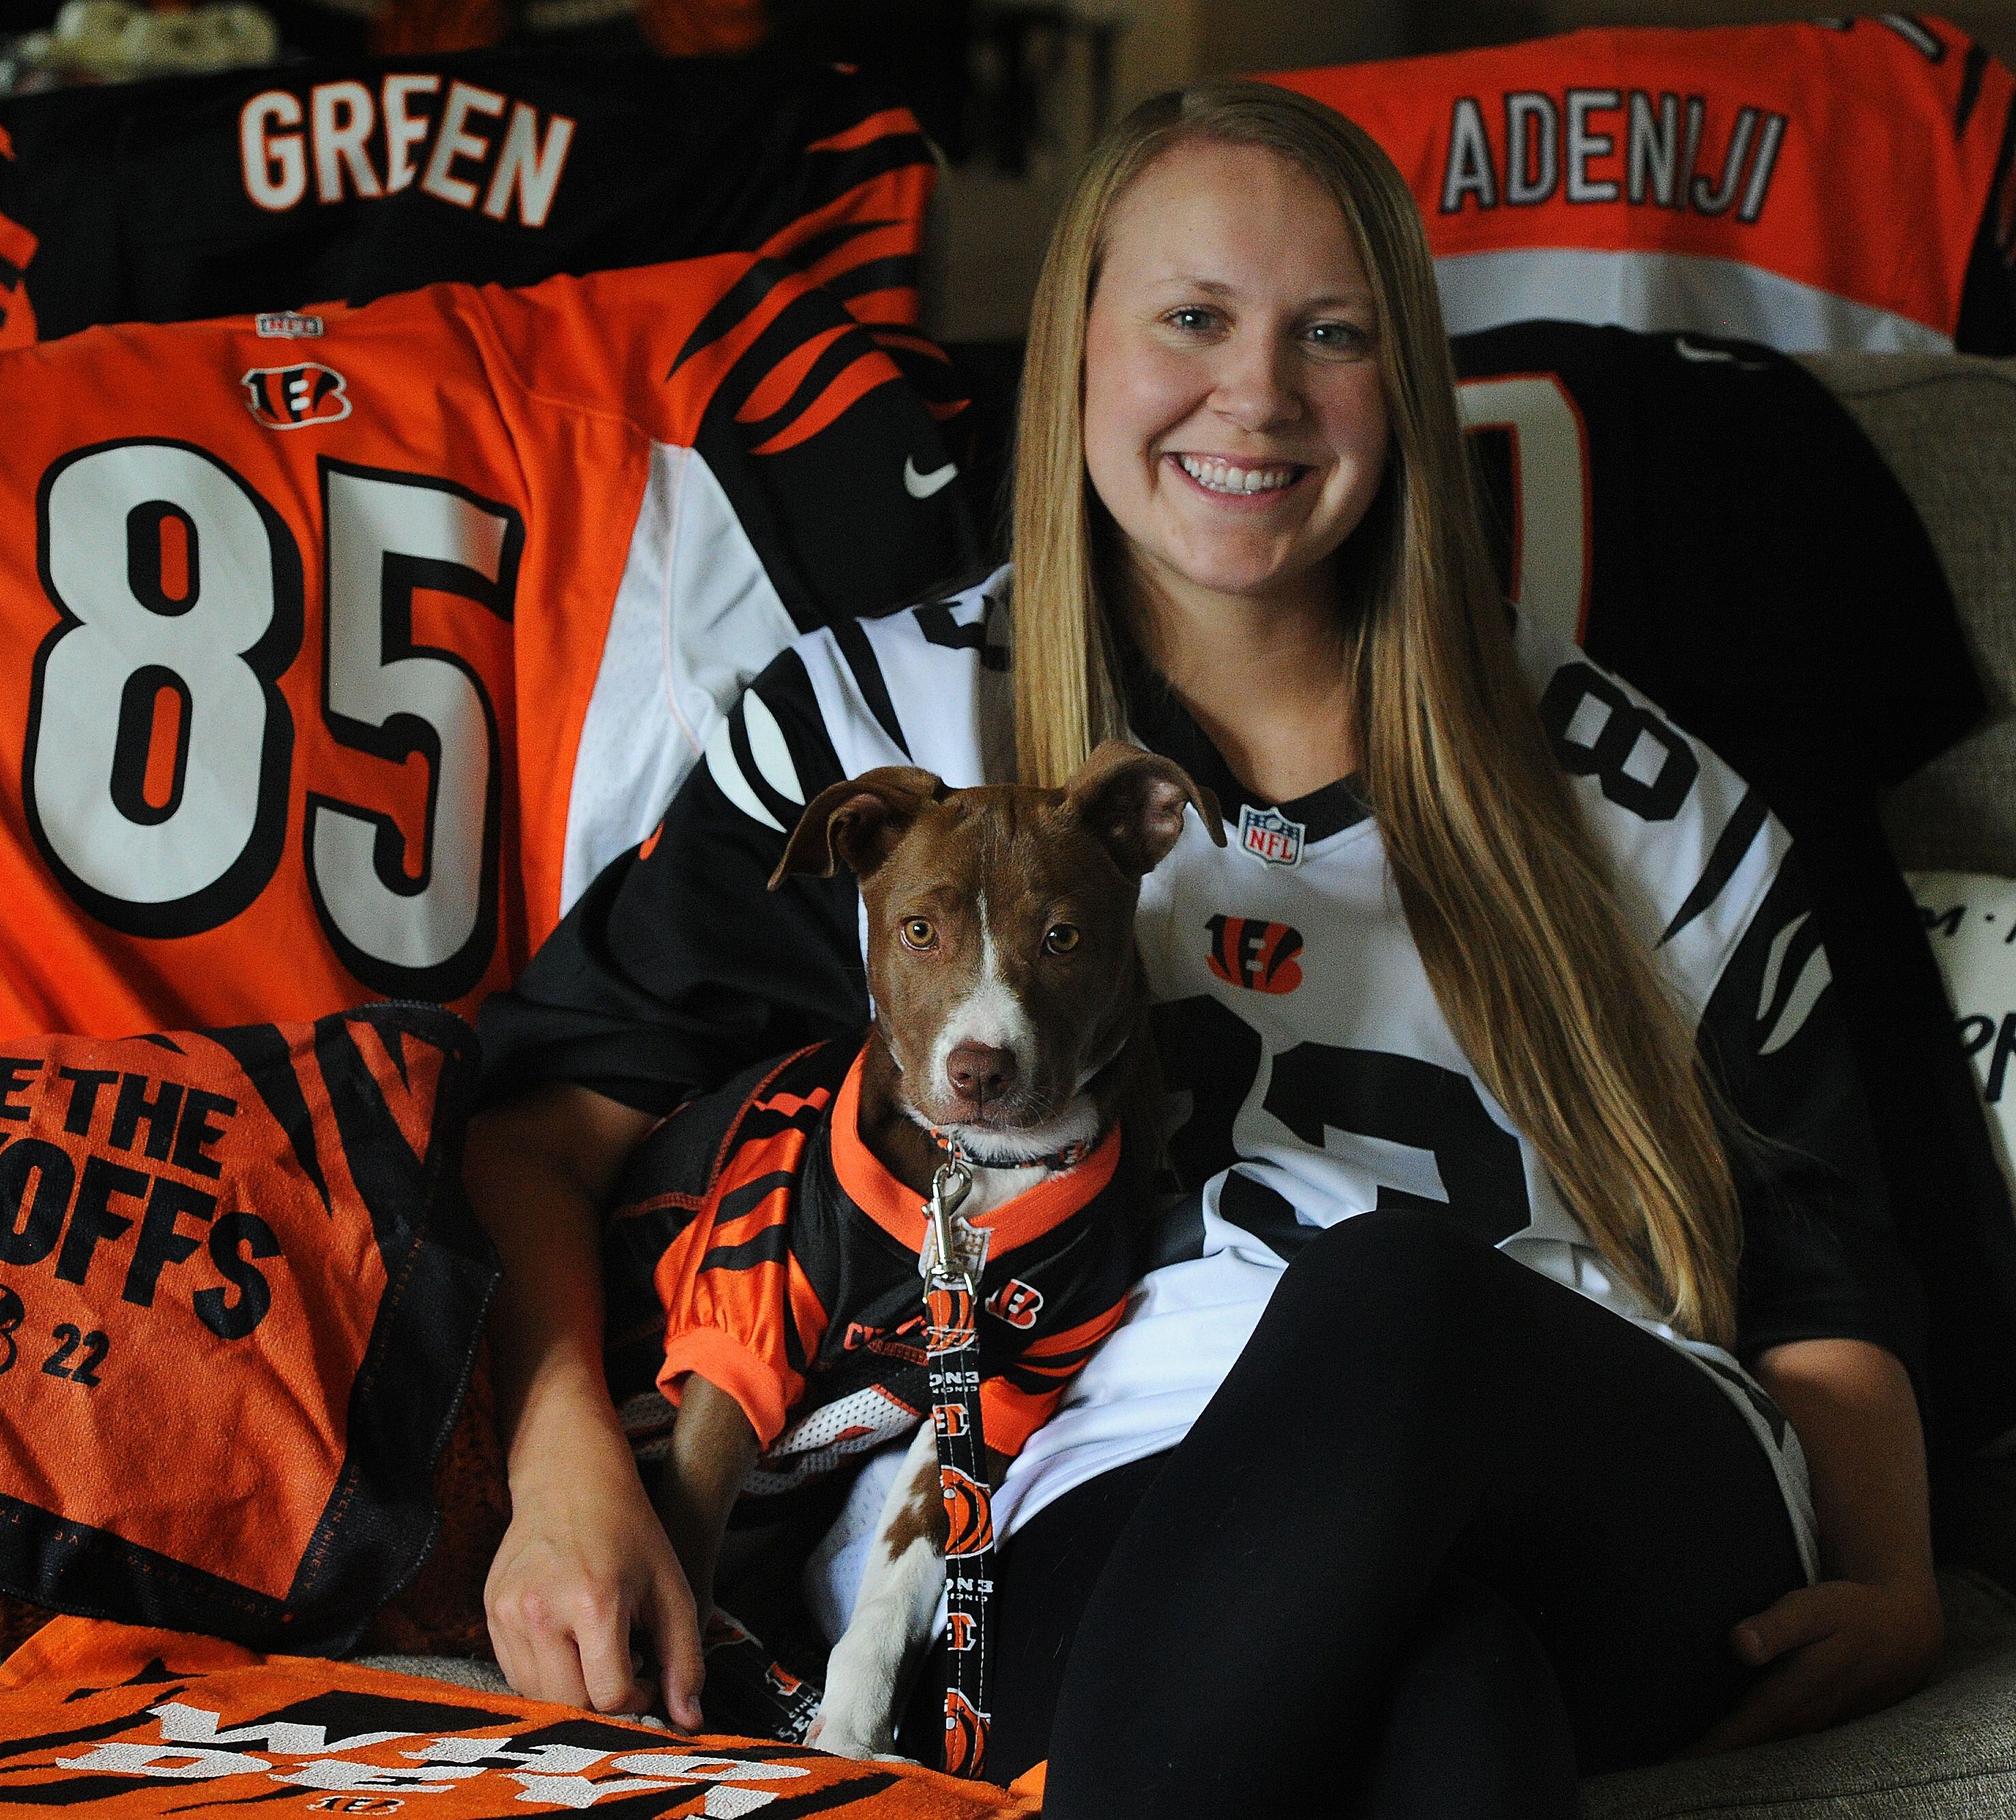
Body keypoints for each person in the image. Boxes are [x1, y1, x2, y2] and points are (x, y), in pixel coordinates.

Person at [462, 81, 1943, 1817]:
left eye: (1331, 333)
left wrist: (1900, 1581)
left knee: (1380, 1287)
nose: (1255, 395)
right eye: (1190, 319)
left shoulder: (1634, 795)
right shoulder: (900, 732)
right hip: (1104, 1486)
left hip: (1601, 1468)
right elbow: (549, 1116)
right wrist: (561, 1471)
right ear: (1077, 347)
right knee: (1452, 1693)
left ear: (1406, 378)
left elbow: (1818, 1256)